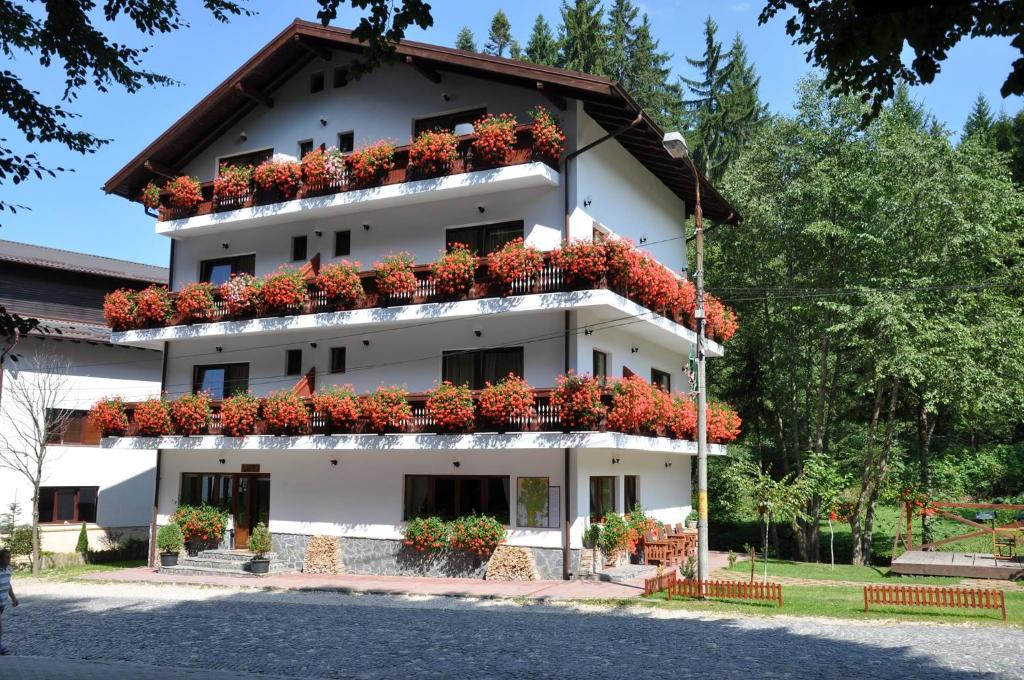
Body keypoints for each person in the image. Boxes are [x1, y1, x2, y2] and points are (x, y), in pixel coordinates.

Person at [0, 548, 18, 655]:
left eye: (9, 557)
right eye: (6, 557)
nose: (8, 560)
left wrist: (13, 598)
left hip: (2, 604)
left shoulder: (8, 570)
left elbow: (8, 584)